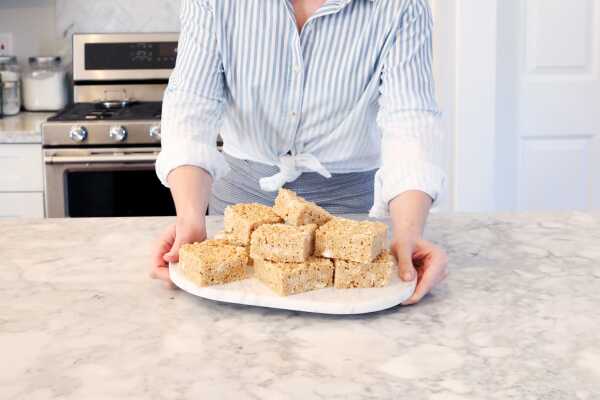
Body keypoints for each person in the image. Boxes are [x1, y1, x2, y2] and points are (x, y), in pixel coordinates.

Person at [151, 0, 449, 305]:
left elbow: (410, 120)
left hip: (348, 210)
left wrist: (408, 233)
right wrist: (189, 219)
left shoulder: (403, 6)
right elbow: (192, 107)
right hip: (239, 201)